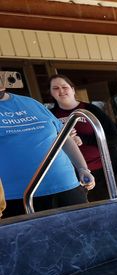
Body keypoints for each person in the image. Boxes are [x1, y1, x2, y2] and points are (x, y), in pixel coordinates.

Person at [0, 76, 94, 218]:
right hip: (16, 196)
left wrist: (82, 168)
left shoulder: (31, 103)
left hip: (66, 185)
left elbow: (63, 137)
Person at [48, 74, 117, 201]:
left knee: (114, 209)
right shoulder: (51, 116)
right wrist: (65, 140)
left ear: (73, 89)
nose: (61, 91)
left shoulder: (91, 109)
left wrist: (83, 139)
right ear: (51, 93)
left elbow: (115, 138)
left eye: (64, 86)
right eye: (55, 88)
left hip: (105, 170)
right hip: (74, 174)